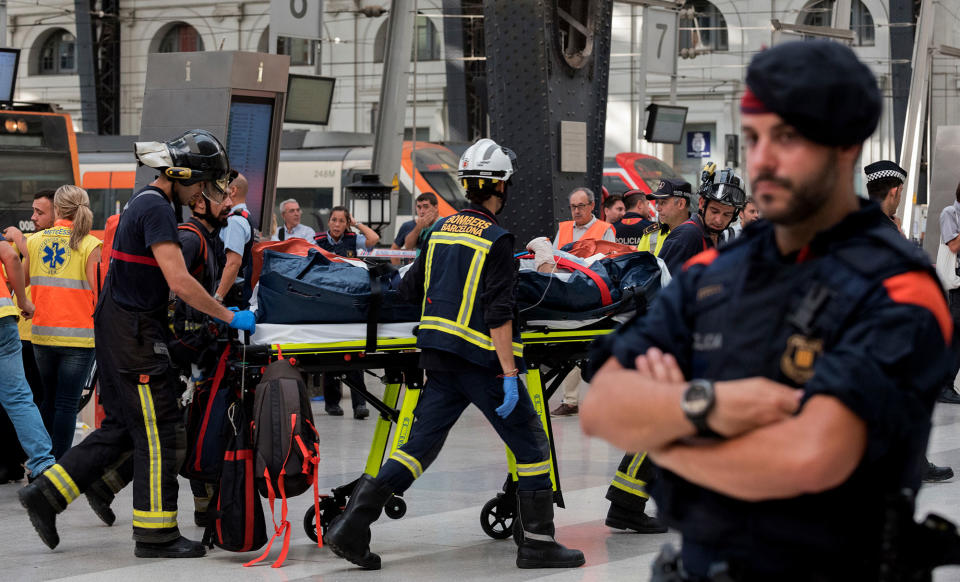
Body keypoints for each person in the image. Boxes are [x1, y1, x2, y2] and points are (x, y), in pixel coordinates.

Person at [581, 40, 955, 580]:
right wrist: (708, 405)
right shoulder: (720, 272)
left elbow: (813, 457)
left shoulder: (897, 286)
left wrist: (670, 422)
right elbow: (603, 404)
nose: (764, 159)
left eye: (788, 136)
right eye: (755, 137)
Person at [326, 138, 584, 571]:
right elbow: (500, 313)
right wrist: (507, 373)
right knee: (533, 444)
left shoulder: (439, 230)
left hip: (439, 358)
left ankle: (351, 527)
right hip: (482, 362)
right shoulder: (498, 240)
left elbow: (408, 290)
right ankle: (538, 542)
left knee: (418, 448)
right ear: (500, 188)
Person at [19, 129, 256, 559]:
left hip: (119, 330)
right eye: (201, 182)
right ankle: (156, 534)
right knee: (160, 427)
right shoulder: (159, 210)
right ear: (182, 174)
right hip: (133, 336)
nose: (202, 192)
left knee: (122, 428)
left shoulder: (149, 204)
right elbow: (179, 280)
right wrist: (226, 314)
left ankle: (45, 495)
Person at [28, 185, 102, 459]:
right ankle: (60, 466)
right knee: (67, 405)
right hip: (79, 340)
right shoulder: (91, 244)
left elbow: (23, 281)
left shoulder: (35, 241)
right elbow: (99, 293)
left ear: (57, 208)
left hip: (42, 337)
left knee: (47, 401)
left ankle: (41, 463)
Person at [0, 189, 54, 482]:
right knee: (20, 398)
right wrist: (22, 300)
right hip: (5, 319)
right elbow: (10, 256)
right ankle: (43, 464)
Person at [314, 206, 378, 419]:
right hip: (328, 301)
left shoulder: (353, 239)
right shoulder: (318, 241)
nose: (337, 225)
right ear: (329, 221)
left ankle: (359, 404)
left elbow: (374, 238)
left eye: (342, 221)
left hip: (350, 299)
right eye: (334, 220)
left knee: (354, 353)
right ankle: (332, 403)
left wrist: (356, 224)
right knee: (331, 352)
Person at [658, 169, 745, 274]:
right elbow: (662, 283)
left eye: (727, 214)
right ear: (702, 203)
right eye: (714, 211)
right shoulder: (687, 236)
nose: (719, 220)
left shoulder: (718, 236)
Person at [214, 172, 254, 308]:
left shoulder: (234, 221)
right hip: (232, 292)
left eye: (221, 188)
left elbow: (233, 264)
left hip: (228, 296)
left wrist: (217, 299)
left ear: (233, 191)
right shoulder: (242, 217)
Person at [636, 178, 693, 257]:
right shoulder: (650, 234)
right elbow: (639, 266)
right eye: (657, 203)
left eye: (663, 202)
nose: (658, 208)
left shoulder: (698, 233)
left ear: (681, 204)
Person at [393, 192, 440, 256]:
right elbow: (408, 247)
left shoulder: (443, 223)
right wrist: (419, 227)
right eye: (419, 207)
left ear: (435, 207)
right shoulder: (414, 226)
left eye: (426, 207)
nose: (422, 211)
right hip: (418, 264)